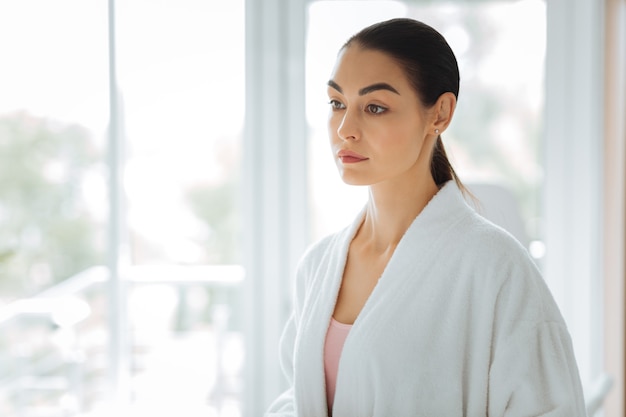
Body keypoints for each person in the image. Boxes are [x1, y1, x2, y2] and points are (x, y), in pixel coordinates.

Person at [265, 18, 586, 417]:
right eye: (337, 103)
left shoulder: (496, 268)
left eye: (375, 107)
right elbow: (300, 398)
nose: (345, 128)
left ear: (440, 114)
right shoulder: (317, 266)